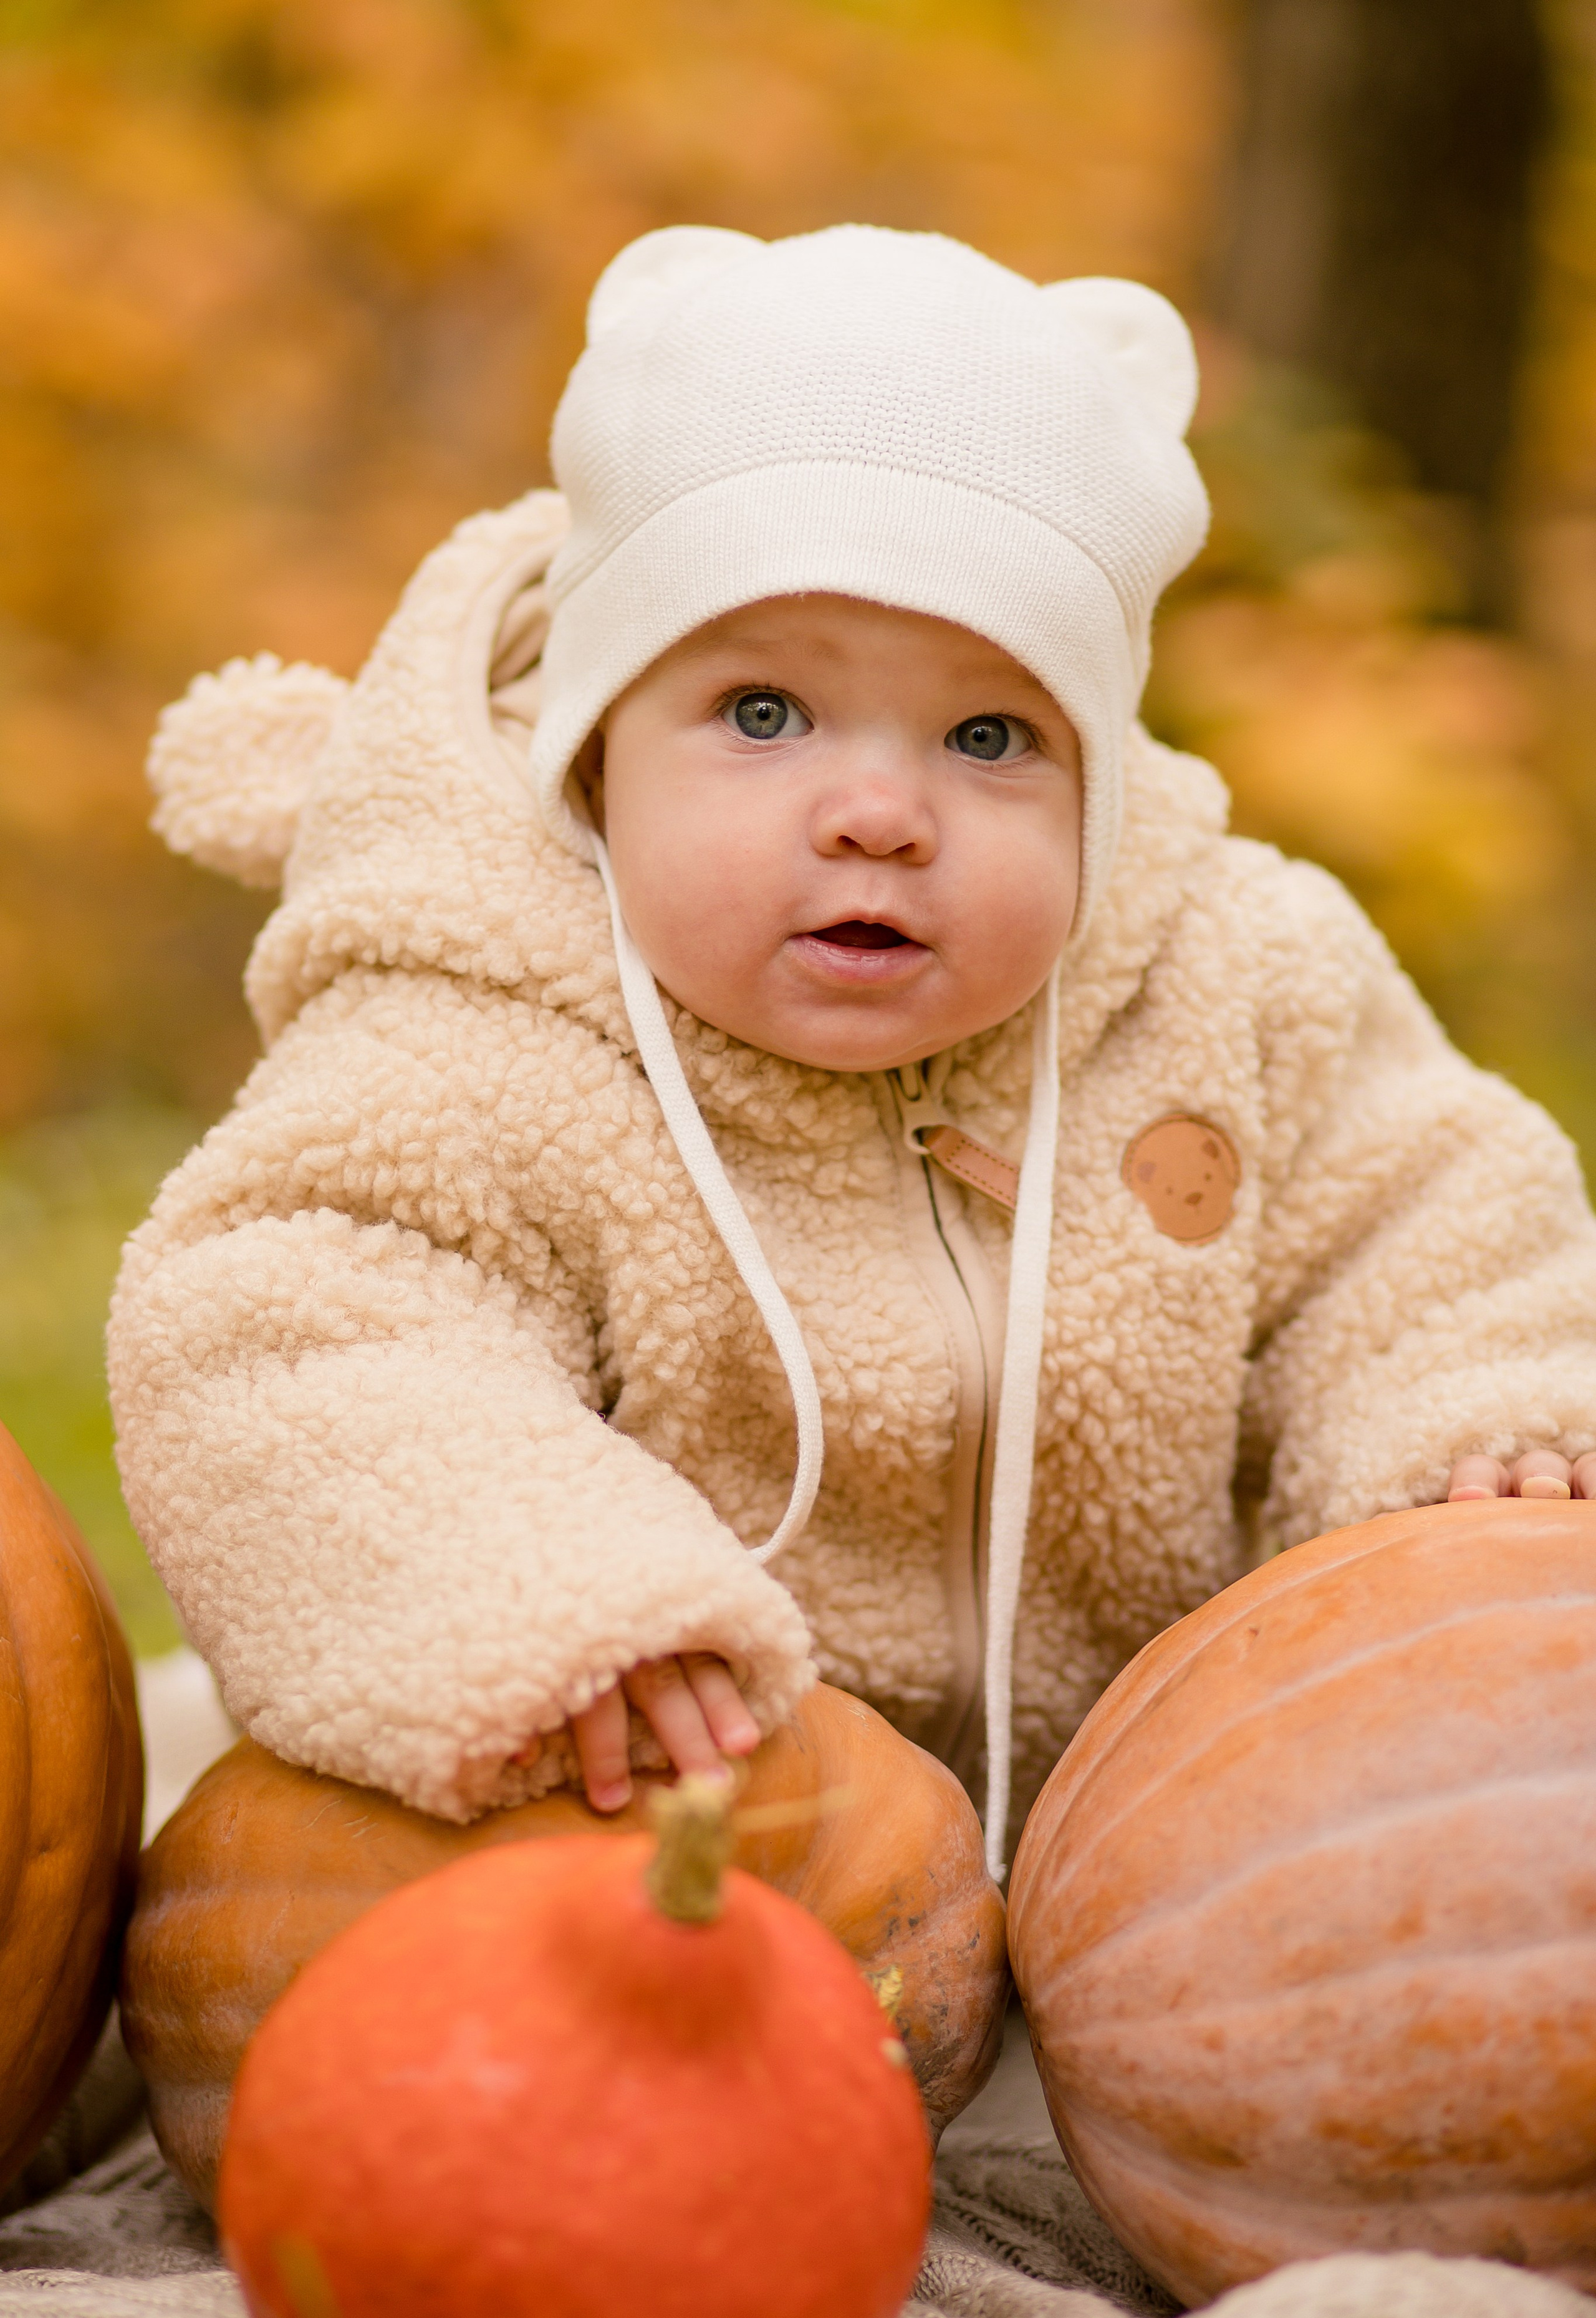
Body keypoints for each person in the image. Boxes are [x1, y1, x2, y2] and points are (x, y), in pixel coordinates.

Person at [110, 225, 1596, 1873]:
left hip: (1140, 1884)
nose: (880, 813)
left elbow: (1429, 1226)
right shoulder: (472, 1040)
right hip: (654, 1854)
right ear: (603, 744)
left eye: (989, 736)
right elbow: (303, 1344)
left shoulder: (1232, 982)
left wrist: (1473, 1426)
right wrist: (553, 1594)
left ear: (1101, 770)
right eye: (763, 714)